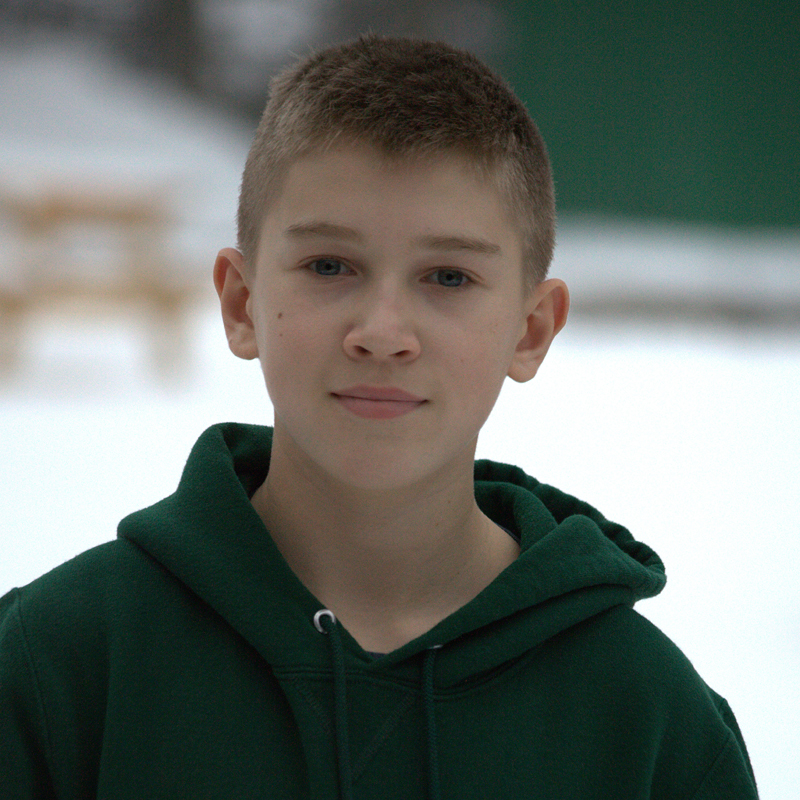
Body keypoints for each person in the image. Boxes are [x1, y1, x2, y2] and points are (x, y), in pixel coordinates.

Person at [0, 35, 758, 799]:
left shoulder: (649, 721)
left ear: (530, 331)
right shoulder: (58, 667)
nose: (383, 333)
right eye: (329, 266)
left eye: (448, 277)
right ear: (241, 303)